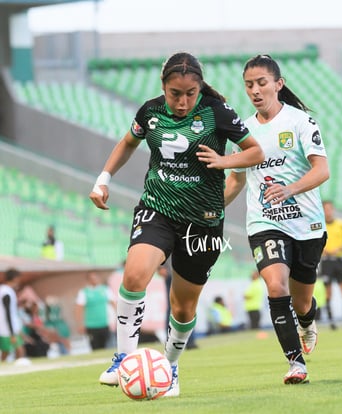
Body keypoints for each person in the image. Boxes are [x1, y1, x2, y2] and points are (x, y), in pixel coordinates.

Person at [89, 51, 264, 396]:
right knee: (135, 274)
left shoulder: (217, 113)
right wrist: (103, 178)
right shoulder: (150, 112)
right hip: (158, 209)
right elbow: (128, 142)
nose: (183, 102)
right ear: (163, 87)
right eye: (175, 94)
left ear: (200, 89)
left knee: (183, 306)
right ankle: (123, 358)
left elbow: (255, 152)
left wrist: (224, 159)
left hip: (203, 222)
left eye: (190, 94)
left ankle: (169, 367)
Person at [224, 54, 329, 384]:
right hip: (264, 222)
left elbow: (322, 171)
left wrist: (290, 189)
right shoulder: (244, 130)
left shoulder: (301, 122)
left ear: (278, 84)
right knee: (274, 285)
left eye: (261, 83)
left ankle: (307, 321)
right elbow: (236, 181)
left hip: (308, 224)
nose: (255, 90)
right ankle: (296, 363)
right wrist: (210, 210)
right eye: (249, 85)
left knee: (302, 301)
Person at [319, 200, 342, 330]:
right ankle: (332, 321)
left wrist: (340, 248)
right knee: (328, 293)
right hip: (327, 261)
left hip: (339, 261)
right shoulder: (319, 225)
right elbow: (315, 244)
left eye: (329, 208)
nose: (328, 211)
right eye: (325, 209)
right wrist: (324, 250)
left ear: (333, 209)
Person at [75, 272, 116, 350]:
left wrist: (116, 318)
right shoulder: (84, 292)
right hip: (91, 325)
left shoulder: (105, 289)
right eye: (92, 279)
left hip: (105, 323)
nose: (94, 280)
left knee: (108, 346)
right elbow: (79, 309)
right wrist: (80, 324)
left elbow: (113, 304)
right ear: (88, 280)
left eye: (95, 278)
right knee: (95, 347)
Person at [0, 268, 30, 365]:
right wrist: (12, 332)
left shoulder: (6, 290)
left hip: (9, 326)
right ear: (15, 278)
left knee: (7, 351)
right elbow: (7, 313)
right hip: (6, 328)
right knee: (18, 350)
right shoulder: (6, 292)